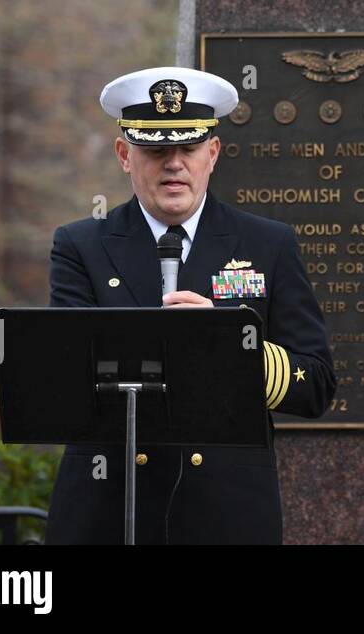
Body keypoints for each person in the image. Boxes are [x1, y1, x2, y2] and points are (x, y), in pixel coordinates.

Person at [43, 67, 336, 544]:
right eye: (156, 149)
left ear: (213, 154)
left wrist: (226, 345)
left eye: (188, 149)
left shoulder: (268, 244)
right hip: (111, 509)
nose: (174, 164)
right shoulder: (81, 246)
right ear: (124, 155)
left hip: (225, 511)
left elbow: (317, 384)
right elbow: (65, 383)